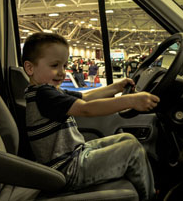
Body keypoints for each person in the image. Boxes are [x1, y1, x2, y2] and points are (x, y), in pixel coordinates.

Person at [22, 32, 160, 201]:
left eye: (64, 66)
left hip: (73, 156)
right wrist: (130, 100)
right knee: (131, 150)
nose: (62, 72)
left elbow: (85, 97)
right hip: (67, 169)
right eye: (54, 65)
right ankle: (150, 196)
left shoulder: (48, 92)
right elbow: (86, 109)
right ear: (30, 68)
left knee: (127, 138)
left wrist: (116, 88)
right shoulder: (44, 95)